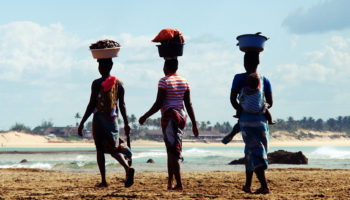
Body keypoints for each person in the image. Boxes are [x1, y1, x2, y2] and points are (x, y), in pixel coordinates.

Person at [139, 59, 199, 191]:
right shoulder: (184, 81)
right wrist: (194, 123)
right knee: (170, 150)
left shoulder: (164, 81)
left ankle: (179, 184)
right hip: (181, 117)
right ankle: (170, 182)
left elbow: (159, 103)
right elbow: (188, 104)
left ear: (166, 67)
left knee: (173, 152)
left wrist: (145, 116)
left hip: (170, 117)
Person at [78, 58, 134, 188]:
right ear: (111, 66)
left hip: (99, 119)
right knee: (113, 148)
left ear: (100, 68)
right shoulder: (119, 83)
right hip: (113, 120)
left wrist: (82, 123)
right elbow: (122, 105)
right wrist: (126, 123)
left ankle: (104, 180)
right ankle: (127, 168)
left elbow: (92, 104)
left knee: (100, 149)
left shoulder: (97, 83)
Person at [230, 52, 273, 194]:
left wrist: (242, 109)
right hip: (261, 123)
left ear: (244, 63)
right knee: (257, 152)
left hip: (246, 123)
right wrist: (259, 107)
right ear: (258, 63)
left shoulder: (238, 78)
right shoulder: (264, 79)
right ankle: (248, 185)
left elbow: (232, 99)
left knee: (251, 152)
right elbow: (270, 103)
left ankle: (264, 186)